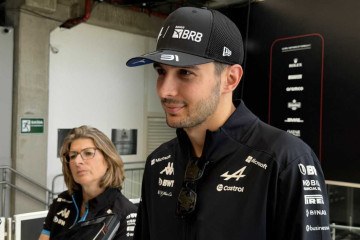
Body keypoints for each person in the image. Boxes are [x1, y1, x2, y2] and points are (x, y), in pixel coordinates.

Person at [126, 6, 331, 240]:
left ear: (230, 78)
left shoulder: (286, 160)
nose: (165, 90)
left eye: (185, 73)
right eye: (161, 71)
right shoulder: (158, 163)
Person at [39, 125, 137, 240]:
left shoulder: (126, 213)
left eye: (88, 153)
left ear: (108, 159)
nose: (77, 161)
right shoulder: (62, 201)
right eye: (73, 155)